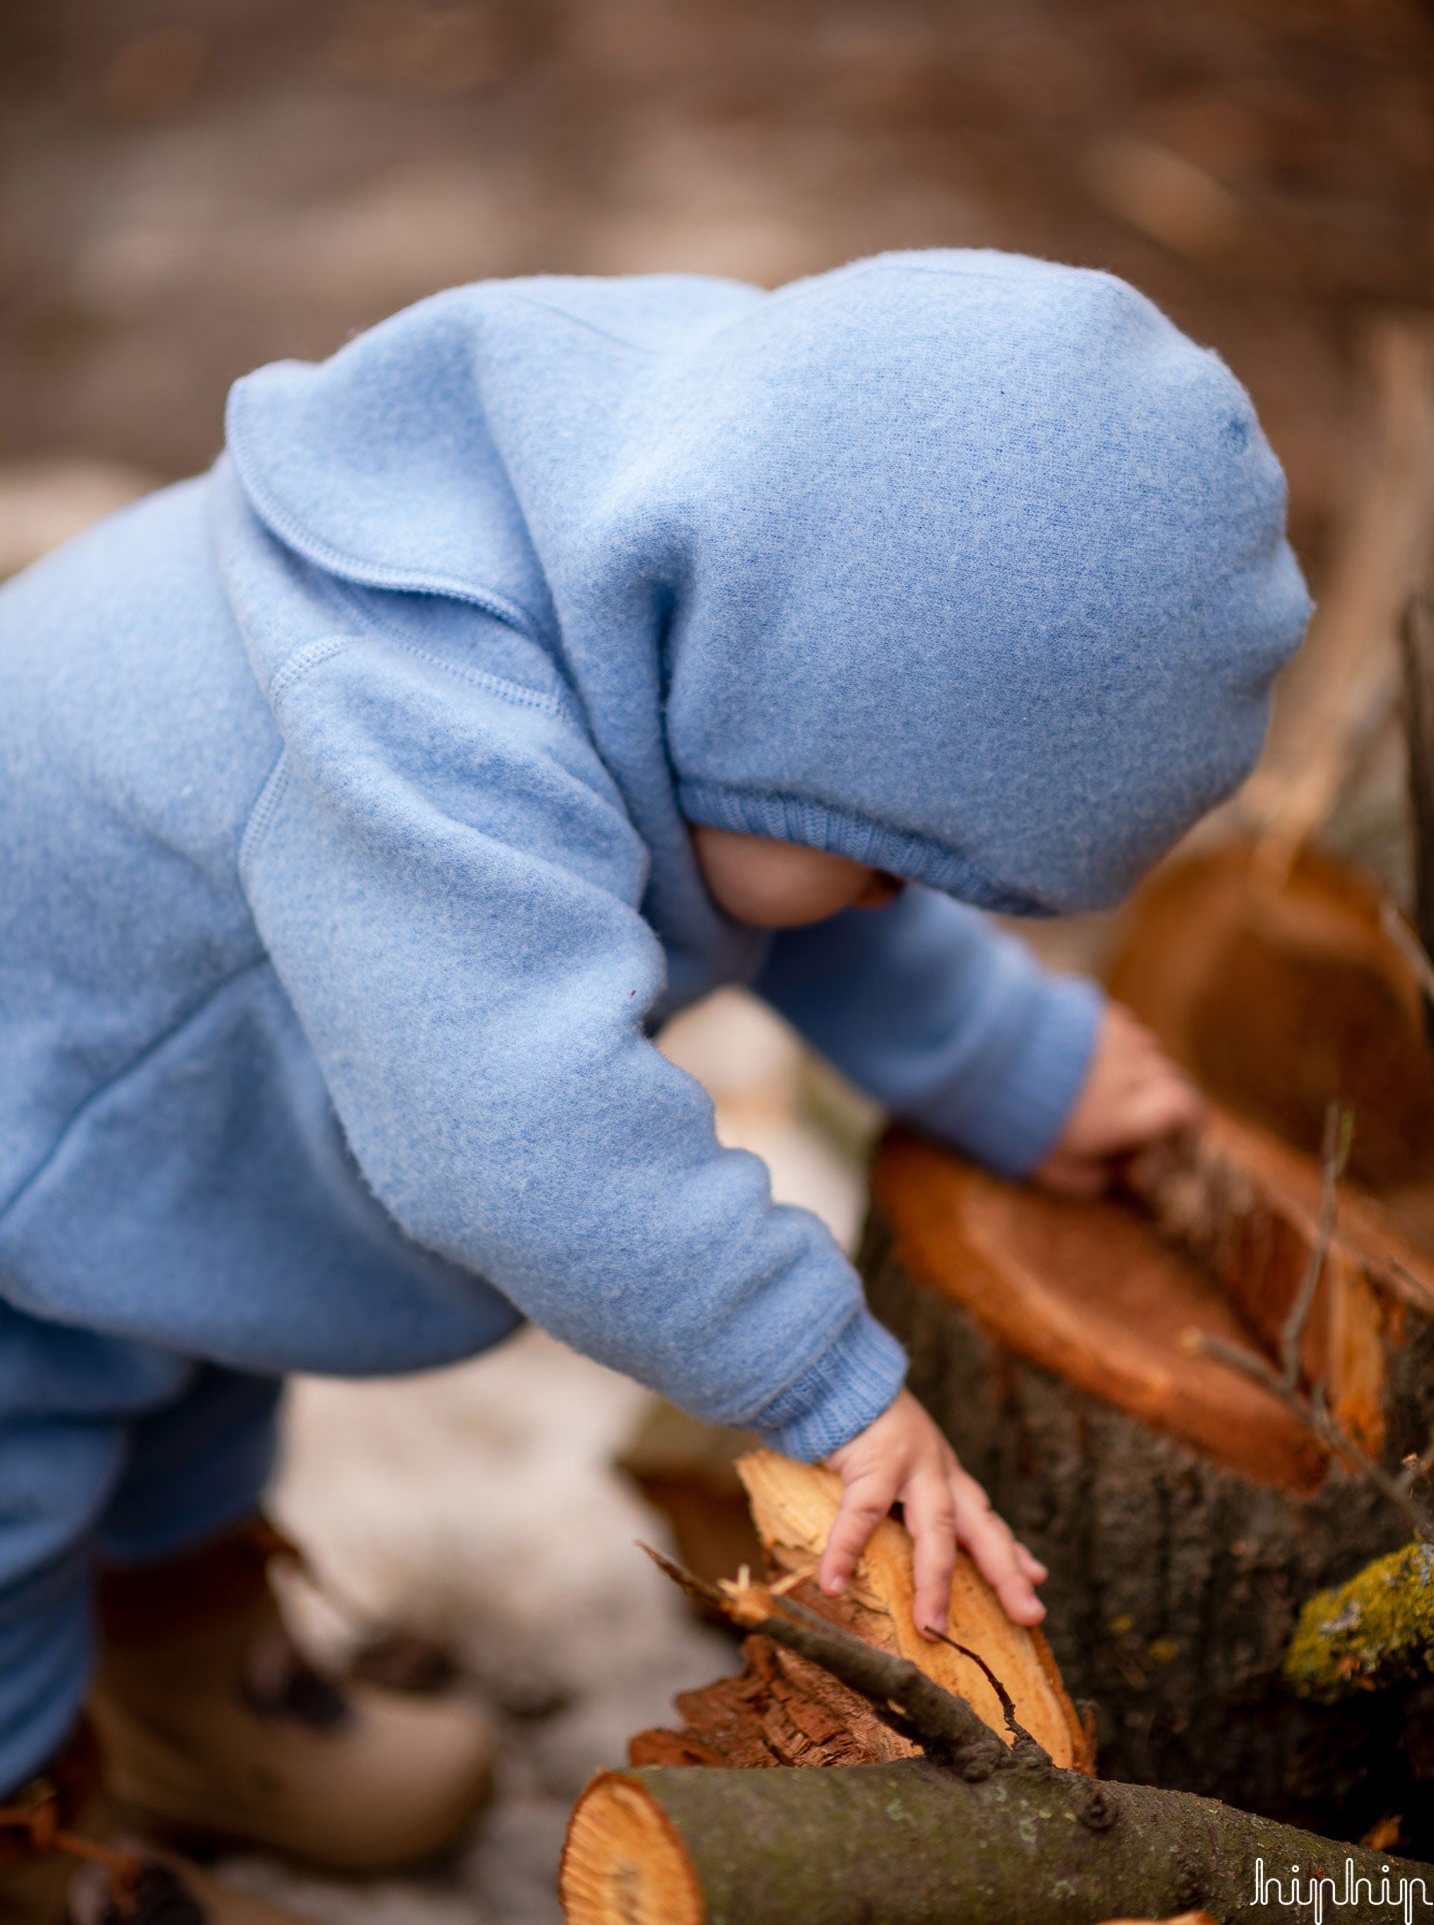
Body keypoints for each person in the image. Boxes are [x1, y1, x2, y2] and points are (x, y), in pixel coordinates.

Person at [0, 249, 1309, 1923]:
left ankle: (191, 1707)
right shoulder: (419, 729)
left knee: (187, 1394)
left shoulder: (696, 546)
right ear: (771, 704)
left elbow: (801, 872)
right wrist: (824, 1380)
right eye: (894, 867)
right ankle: (27, 1826)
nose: (890, 906)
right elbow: (517, 1135)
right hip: (42, 1120)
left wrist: (1008, 1057)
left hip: (149, 1131)